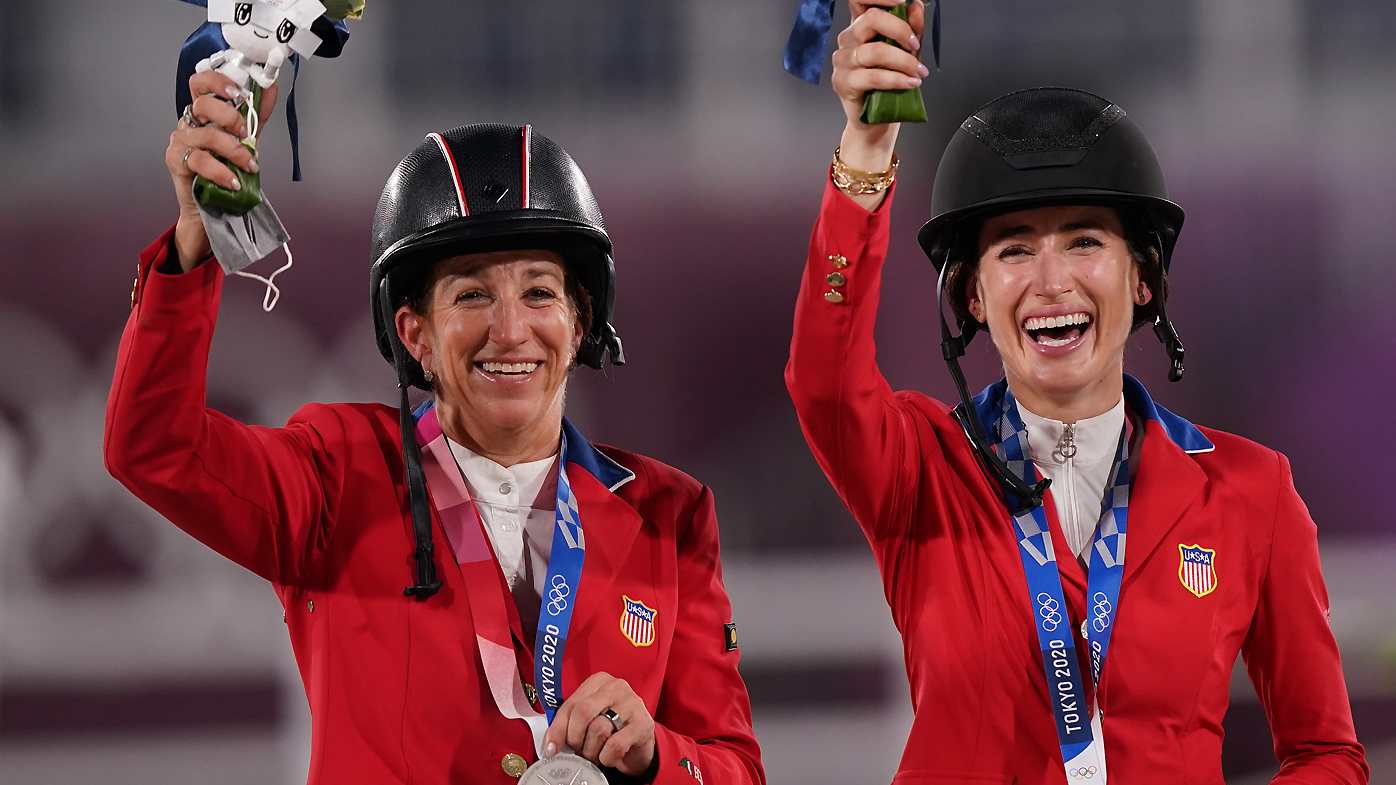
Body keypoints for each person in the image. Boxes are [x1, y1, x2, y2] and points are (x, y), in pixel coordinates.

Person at [105, 69, 763, 785]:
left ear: (581, 324)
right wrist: (199, 236)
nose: (510, 329)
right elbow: (151, 444)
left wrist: (657, 753)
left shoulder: (668, 514)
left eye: (539, 292)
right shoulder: (337, 473)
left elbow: (734, 768)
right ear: (414, 334)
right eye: (472, 292)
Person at [784, 2, 1369, 782]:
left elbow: (1325, 752)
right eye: (1015, 249)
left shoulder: (1251, 494)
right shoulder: (922, 469)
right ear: (971, 297)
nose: (1051, 281)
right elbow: (823, 380)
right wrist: (866, 142)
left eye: (1085, 240)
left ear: (1144, 277)